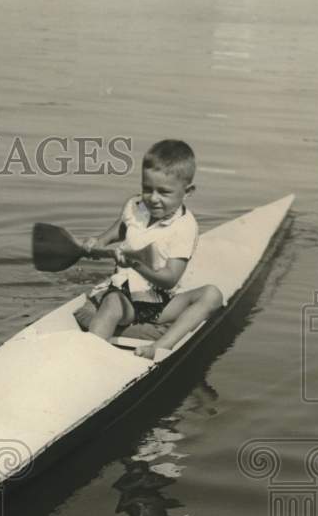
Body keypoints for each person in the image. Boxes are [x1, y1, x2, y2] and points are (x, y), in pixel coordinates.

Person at [73, 140, 223, 359]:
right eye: (147, 189)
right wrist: (99, 242)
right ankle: (89, 357)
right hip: (125, 296)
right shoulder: (135, 206)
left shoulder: (185, 227)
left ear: (187, 191)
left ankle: (161, 345)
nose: (153, 198)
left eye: (164, 192)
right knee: (112, 302)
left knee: (212, 295)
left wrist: (136, 264)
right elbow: (121, 229)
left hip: (161, 302)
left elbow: (170, 278)